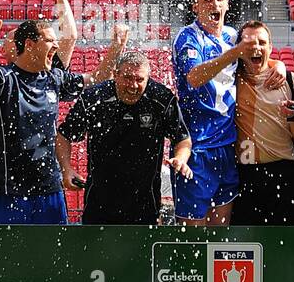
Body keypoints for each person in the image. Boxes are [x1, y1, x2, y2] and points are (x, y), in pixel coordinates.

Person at [0, 0, 119, 225]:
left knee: (54, 263)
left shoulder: (52, 77)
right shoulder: (3, 78)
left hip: (49, 189)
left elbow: (88, 66)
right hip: (7, 191)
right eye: (49, 40)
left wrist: (116, 48)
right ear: (27, 44)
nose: (55, 44)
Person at [56, 34, 193, 226]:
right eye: (127, 78)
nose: (133, 85)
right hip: (99, 204)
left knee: (142, 255)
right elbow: (63, 135)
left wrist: (181, 158)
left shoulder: (160, 98)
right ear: (115, 74)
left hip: (145, 206)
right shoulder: (95, 98)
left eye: (139, 80)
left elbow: (183, 139)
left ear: (148, 79)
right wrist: (66, 168)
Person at [171, 0, 242, 225]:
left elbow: (261, 58)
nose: (215, 5)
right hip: (196, 146)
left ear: (228, 4)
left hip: (228, 145)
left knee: (220, 233)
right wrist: (234, 53)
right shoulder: (187, 37)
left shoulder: (234, 36)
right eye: (208, 0)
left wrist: (276, 66)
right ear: (195, 7)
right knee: (192, 237)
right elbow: (193, 77)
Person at [232, 20, 294, 226]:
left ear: (271, 47)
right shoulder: (230, 82)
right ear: (239, 49)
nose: (256, 47)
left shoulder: (289, 80)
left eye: (262, 42)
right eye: (249, 43)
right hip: (244, 175)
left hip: (285, 175)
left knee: (289, 245)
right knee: (247, 247)